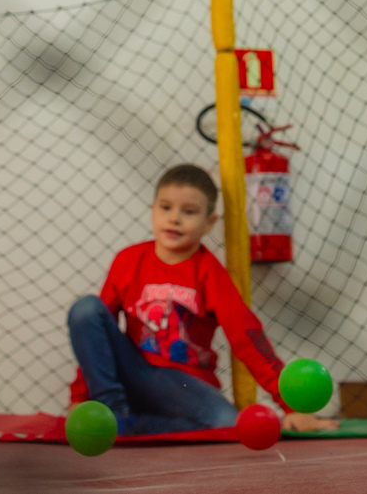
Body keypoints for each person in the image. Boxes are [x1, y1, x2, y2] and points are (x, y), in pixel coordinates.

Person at [67, 163, 340, 436]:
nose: (174, 219)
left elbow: (246, 335)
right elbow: (95, 337)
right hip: (132, 371)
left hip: (184, 384)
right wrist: (79, 398)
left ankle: (128, 426)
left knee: (228, 424)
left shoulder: (209, 272)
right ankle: (112, 413)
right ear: (153, 212)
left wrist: (291, 406)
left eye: (189, 211)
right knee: (86, 309)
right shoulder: (128, 260)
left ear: (209, 223)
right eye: (166, 207)